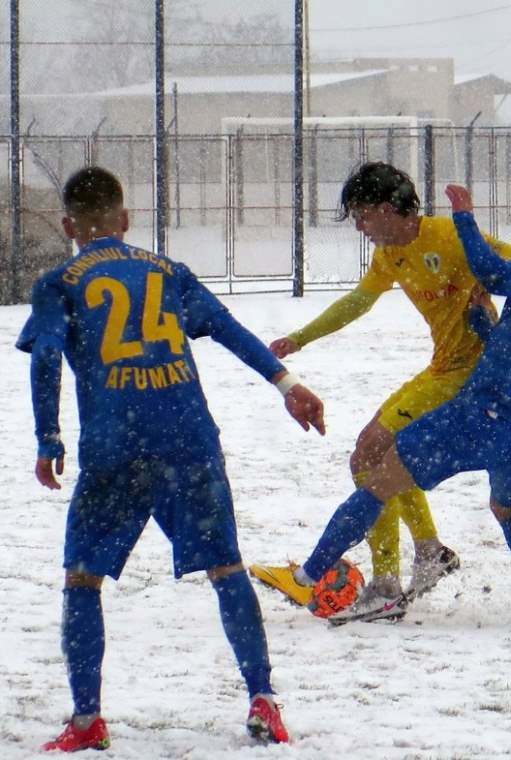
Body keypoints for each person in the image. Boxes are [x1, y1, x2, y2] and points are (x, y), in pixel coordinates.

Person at [18, 166, 326, 751]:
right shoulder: (166, 270)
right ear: (125, 219)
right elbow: (229, 328)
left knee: (83, 578)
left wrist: (48, 438)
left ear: (68, 226)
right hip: (188, 439)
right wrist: (287, 384)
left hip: (116, 445)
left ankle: (87, 721)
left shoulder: (59, 282)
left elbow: (46, 358)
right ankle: (263, 699)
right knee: (227, 569)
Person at [266, 184, 511, 627]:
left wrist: (465, 217)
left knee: (375, 472)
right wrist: (485, 324)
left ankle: (319, 578)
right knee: (508, 508)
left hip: (481, 410)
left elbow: (495, 269)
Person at [250, 162, 511, 620]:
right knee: (384, 455)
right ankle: (429, 552)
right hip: (441, 370)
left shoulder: (448, 235)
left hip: (472, 375)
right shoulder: (389, 255)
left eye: (360, 216)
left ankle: (386, 582)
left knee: (368, 454)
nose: (359, 227)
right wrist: (302, 337)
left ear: (383, 209)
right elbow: (358, 300)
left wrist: (500, 303)